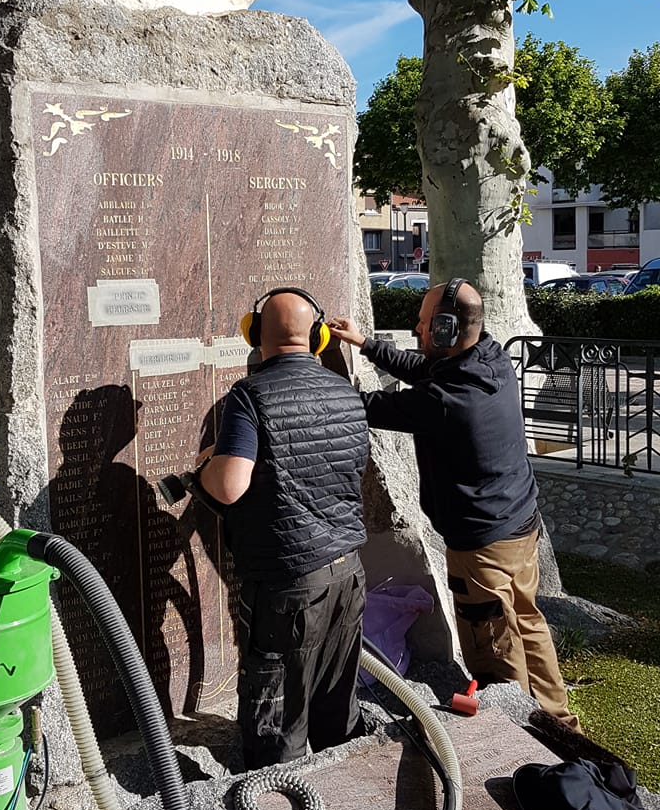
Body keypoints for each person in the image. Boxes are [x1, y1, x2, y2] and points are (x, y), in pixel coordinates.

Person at [329, 279, 580, 730]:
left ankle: (517, 737)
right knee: (527, 624)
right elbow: (427, 368)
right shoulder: (489, 358)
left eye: (424, 323)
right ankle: (561, 725)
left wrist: (305, 383)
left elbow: (370, 406)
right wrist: (365, 344)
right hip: (520, 526)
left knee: (493, 648)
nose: (417, 329)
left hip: (482, 547)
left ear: (445, 329)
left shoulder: (447, 401)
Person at [195, 287, 370, 768]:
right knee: (338, 716)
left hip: (289, 591)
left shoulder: (250, 396)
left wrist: (206, 467)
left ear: (254, 335)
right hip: (348, 576)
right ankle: (346, 799)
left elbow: (228, 486)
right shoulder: (346, 393)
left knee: (278, 730)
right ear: (317, 338)